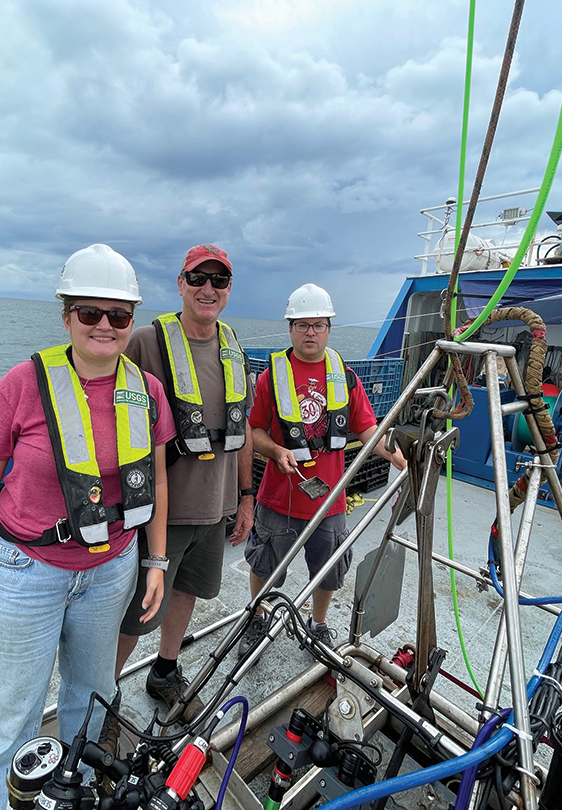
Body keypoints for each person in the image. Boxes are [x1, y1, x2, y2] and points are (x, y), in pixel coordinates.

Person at [0, 244, 176, 809]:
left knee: (93, 700)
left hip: (111, 567)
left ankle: (72, 796)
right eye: (89, 313)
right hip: (27, 570)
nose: (104, 326)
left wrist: (155, 560)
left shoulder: (146, 392)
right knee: (8, 717)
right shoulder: (22, 385)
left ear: (132, 321)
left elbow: (158, 482)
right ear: (66, 315)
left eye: (118, 315)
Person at [111, 243, 254, 725]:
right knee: (135, 611)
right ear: (180, 283)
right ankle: (103, 692)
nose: (207, 289)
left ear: (229, 289)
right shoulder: (146, 342)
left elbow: (243, 429)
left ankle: (165, 670)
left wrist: (247, 497)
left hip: (213, 508)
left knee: (187, 591)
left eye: (219, 280)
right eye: (198, 278)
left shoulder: (234, 346)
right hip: (159, 512)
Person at [239, 283, 405, 655]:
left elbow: (365, 428)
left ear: (329, 328)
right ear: (290, 329)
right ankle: (257, 615)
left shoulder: (344, 377)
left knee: (328, 570)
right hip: (278, 499)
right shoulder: (270, 376)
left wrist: (392, 453)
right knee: (264, 564)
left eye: (318, 324)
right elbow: (255, 430)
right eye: (302, 325)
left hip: (330, 501)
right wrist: (276, 450)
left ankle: (318, 624)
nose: (310, 332)